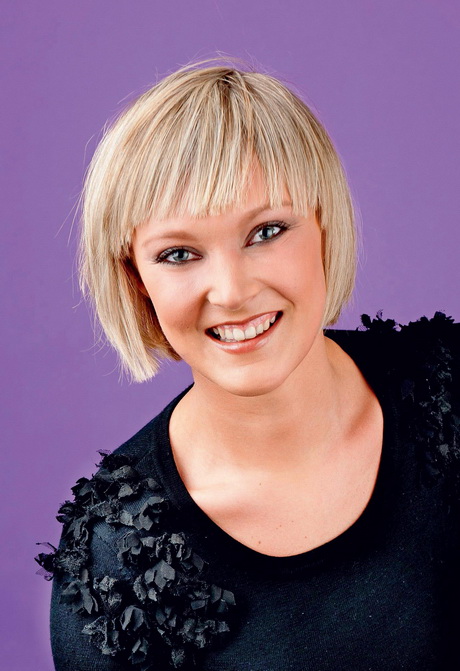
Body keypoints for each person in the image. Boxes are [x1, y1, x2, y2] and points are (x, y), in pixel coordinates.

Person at [36, 61, 459, 670]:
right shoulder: (116, 562)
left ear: (323, 223)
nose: (232, 291)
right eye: (179, 254)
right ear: (135, 279)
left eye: (267, 231)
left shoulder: (449, 389)